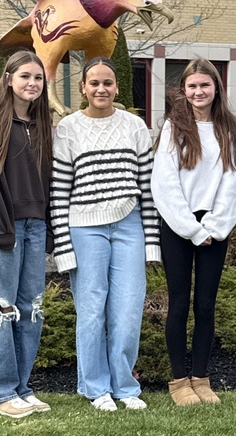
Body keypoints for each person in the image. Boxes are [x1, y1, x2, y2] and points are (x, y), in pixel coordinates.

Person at [50, 56, 161, 411]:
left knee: (128, 310)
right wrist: (64, 248)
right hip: (84, 227)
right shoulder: (68, 128)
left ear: (117, 87)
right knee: (92, 309)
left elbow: (147, 187)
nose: (101, 89)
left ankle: (126, 387)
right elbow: (59, 192)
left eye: (107, 83)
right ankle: (96, 387)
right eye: (94, 83)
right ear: (83, 88)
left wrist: (152, 243)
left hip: (129, 225)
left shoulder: (134, 126)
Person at [151, 59, 236, 405]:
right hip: (179, 226)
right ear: (184, 90)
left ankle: (202, 378)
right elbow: (164, 183)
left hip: (214, 228)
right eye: (192, 86)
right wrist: (191, 229)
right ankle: (179, 381)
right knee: (179, 303)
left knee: (206, 305)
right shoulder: (174, 128)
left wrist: (215, 226)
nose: (198, 92)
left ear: (216, 88)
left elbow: (235, 181)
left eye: (205, 85)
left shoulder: (229, 129)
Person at [0, 50, 54, 418]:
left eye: (38, 78)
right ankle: (1, 393)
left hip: (35, 227)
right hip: (2, 229)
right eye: (25, 77)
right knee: (3, 309)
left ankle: (22, 387)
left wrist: (47, 229)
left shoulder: (40, 121)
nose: (32, 83)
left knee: (31, 309)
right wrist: (0, 230)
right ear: (9, 79)